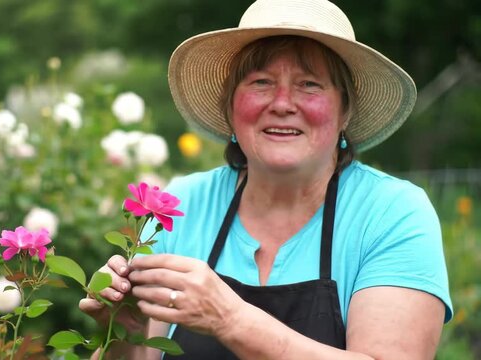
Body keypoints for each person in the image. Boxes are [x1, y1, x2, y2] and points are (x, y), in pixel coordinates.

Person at [80, 0, 453, 358]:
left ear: (344, 111)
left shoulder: (391, 213)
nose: (282, 103)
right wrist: (126, 330)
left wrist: (230, 318)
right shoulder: (183, 205)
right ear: (230, 107)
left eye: (309, 84)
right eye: (260, 82)